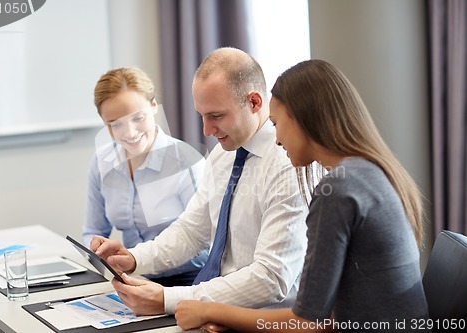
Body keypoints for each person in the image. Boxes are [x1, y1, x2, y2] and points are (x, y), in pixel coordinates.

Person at [174, 59, 430, 332]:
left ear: (305, 120)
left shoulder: (337, 193)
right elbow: (332, 317)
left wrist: (211, 310)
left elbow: (307, 322)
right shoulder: (368, 173)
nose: (277, 139)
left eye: (276, 123)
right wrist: (232, 318)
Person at [91, 47, 309, 316]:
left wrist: (170, 299)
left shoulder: (286, 164)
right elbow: (191, 230)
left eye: (216, 116)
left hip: (261, 319)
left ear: (254, 102)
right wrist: (135, 258)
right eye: (202, 116)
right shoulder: (222, 155)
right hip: (213, 311)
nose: (206, 130)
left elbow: (271, 278)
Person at [83, 67, 208, 286]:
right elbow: (92, 231)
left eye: (137, 118)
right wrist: (96, 249)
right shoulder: (101, 162)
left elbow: (208, 248)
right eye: (116, 124)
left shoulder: (186, 163)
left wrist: (137, 261)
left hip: (188, 283)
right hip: (130, 279)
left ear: (153, 107)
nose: (129, 133)